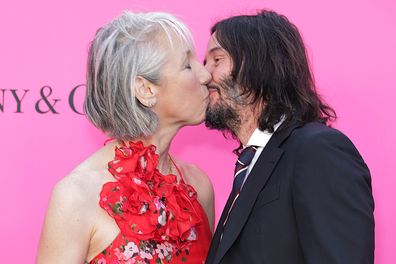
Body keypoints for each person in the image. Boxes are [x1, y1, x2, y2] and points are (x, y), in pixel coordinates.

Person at [37, 11, 214, 264]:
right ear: (146, 89)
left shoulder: (198, 186)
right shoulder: (76, 196)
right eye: (187, 65)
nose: (205, 75)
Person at [204, 9, 374, 264]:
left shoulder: (319, 151)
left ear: (258, 65)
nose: (205, 75)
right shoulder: (249, 167)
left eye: (216, 60)